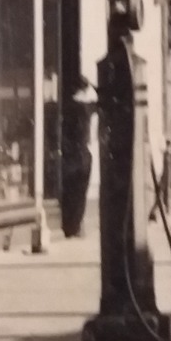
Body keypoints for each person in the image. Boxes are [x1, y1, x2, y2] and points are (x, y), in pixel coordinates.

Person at [60, 78, 98, 238]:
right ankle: (75, 226)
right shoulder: (85, 108)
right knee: (80, 192)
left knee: (69, 192)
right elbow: (101, 99)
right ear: (83, 91)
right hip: (82, 153)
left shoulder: (64, 107)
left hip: (68, 154)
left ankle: (69, 225)